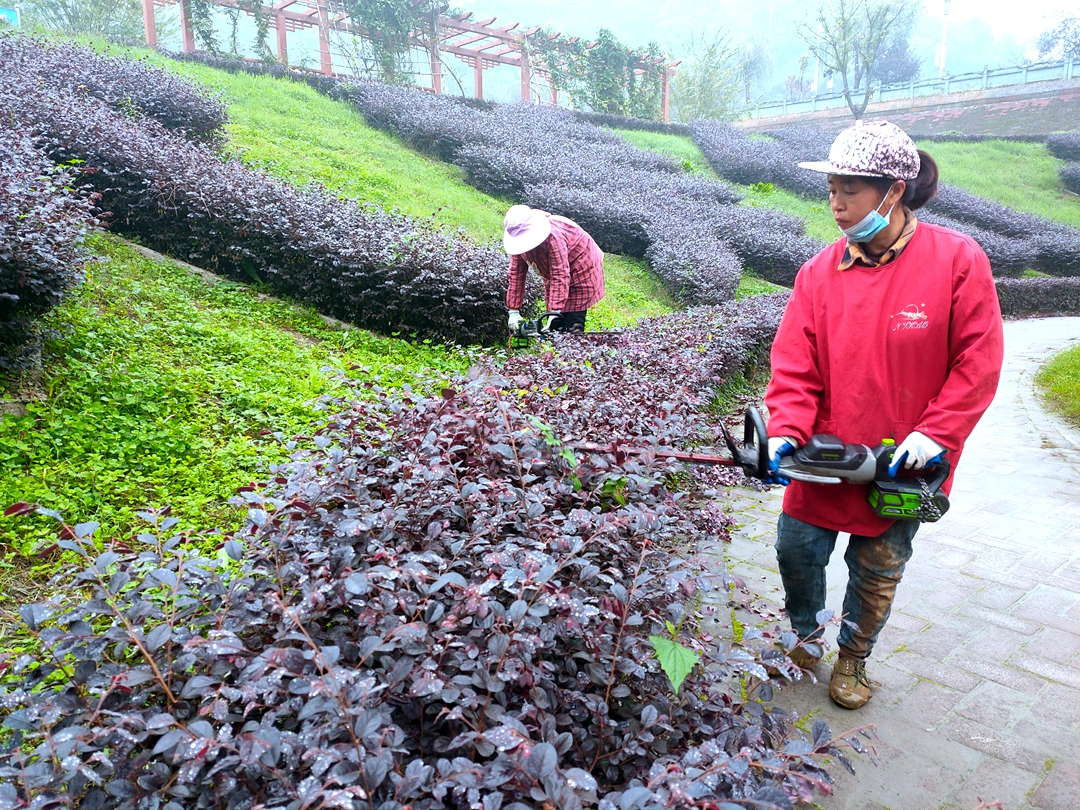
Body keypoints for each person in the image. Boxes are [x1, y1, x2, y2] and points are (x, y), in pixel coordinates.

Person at [763, 121, 1004, 709]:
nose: (836, 204)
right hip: (824, 456)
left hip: (904, 462)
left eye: (850, 189)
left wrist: (937, 434)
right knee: (797, 550)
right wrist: (786, 431)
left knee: (878, 567)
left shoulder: (955, 260)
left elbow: (979, 360)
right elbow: (796, 365)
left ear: (893, 191)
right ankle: (807, 633)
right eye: (831, 190)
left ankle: (853, 657)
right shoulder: (818, 273)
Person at [503, 205, 605, 334]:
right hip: (554, 271)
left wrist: (554, 312)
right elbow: (516, 274)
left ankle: (574, 345)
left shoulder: (553, 236)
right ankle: (557, 341)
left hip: (582, 266)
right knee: (555, 325)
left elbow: (560, 274)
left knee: (571, 321)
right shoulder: (517, 240)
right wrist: (513, 310)